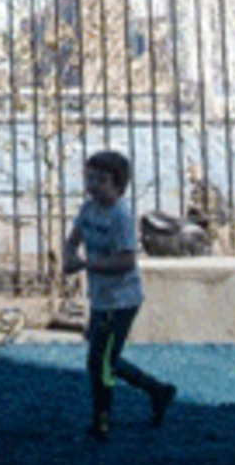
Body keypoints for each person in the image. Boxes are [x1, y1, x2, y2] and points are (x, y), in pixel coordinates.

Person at [60, 150, 178, 441]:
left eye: (101, 179)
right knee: (105, 359)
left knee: (99, 361)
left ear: (118, 186)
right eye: (90, 177)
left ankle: (102, 419)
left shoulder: (121, 215)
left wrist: (88, 264)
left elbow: (126, 261)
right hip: (101, 296)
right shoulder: (88, 209)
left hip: (123, 299)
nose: (94, 184)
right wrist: (68, 256)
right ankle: (157, 390)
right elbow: (73, 238)